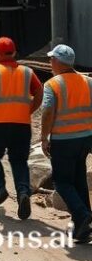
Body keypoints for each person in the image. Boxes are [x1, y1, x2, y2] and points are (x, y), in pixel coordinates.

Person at [0, 37, 42, 220]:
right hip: (22, 125)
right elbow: (39, 92)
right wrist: (29, 110)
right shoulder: (27, 72)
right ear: (14, 53)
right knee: (19, 161)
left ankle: (0, 189)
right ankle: (23, 194)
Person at [41, 44, 92, 242]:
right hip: (86, 138)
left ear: (57, 62)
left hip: (64, 139)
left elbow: (47, 112)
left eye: (51, 59)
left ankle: (82, 214)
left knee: (62, 182)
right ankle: (83, 225)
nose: (49, 62)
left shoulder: (52, 84)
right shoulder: (88, 81)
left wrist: (44, 137)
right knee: (78, 176)